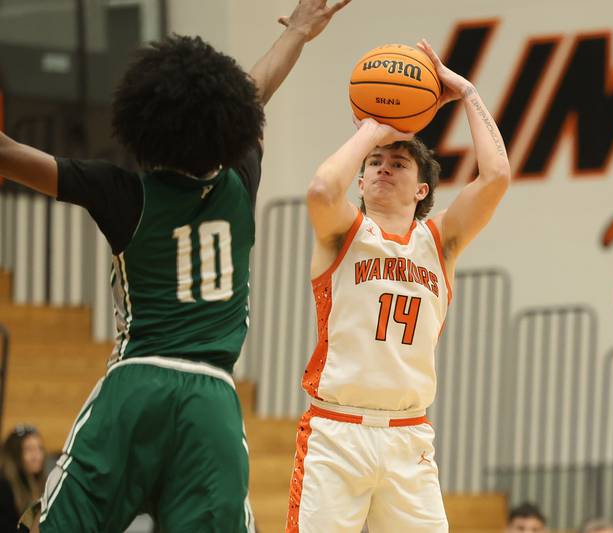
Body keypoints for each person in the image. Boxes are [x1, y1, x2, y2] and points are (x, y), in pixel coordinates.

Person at [0, 1, 351, 531]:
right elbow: (254, 94)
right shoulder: (241, 181)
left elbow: (8, 155)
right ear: (226, 126)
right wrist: (298, 32)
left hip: (136, 388)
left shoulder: (121, 194)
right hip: (211, 398)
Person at [286, 38, 511, 532]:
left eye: (399, 162)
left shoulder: (441, 241)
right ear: (361, 182)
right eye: (375, 162)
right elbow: (323, 188)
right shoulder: (343, 232)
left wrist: (468, 92)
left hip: (408, 437)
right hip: (336, 432)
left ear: (422, 189)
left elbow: (495, 177)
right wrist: (373, 127)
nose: (384, 166)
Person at [0, 426, 46, 531]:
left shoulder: (42, 482)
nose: (37, 456)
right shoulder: (4, 487)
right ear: (14, 454)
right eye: (29, 450)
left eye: (40, 448)